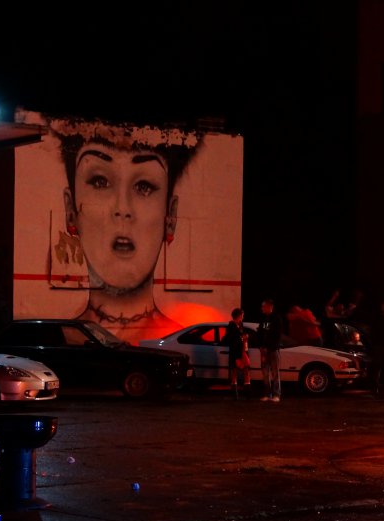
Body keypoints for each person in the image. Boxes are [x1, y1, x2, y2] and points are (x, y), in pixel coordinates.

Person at [52, 121, 196, 344]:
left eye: (144, 187)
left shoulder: (177, 343)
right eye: (100, 181)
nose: (122, 208)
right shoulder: (63, 339)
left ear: (171, 216)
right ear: (71, 210)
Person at [257, 298, 283, 402]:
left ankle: (276, 395)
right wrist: (261, 346)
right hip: (264, 350)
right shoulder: (262, 318)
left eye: (264, 306)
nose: (262, 308)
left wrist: (269, 347)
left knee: (275, 373)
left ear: (270, 307)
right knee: (265, 373)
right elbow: (260, 333)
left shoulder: (276, 319)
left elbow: (277, 335)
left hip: (273, 350)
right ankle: (267, 394)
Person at [223, 307, 250, 399]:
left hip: (242, 351)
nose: (243, 317)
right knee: (235, 370)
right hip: (236, 352)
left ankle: (246, 390)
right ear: (238, 315)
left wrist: (244, 337)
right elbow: (232, 338)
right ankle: (235, 392)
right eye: (242, 315)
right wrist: (241, 337)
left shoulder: (240, 325)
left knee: (246, 369)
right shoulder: (231, 326)